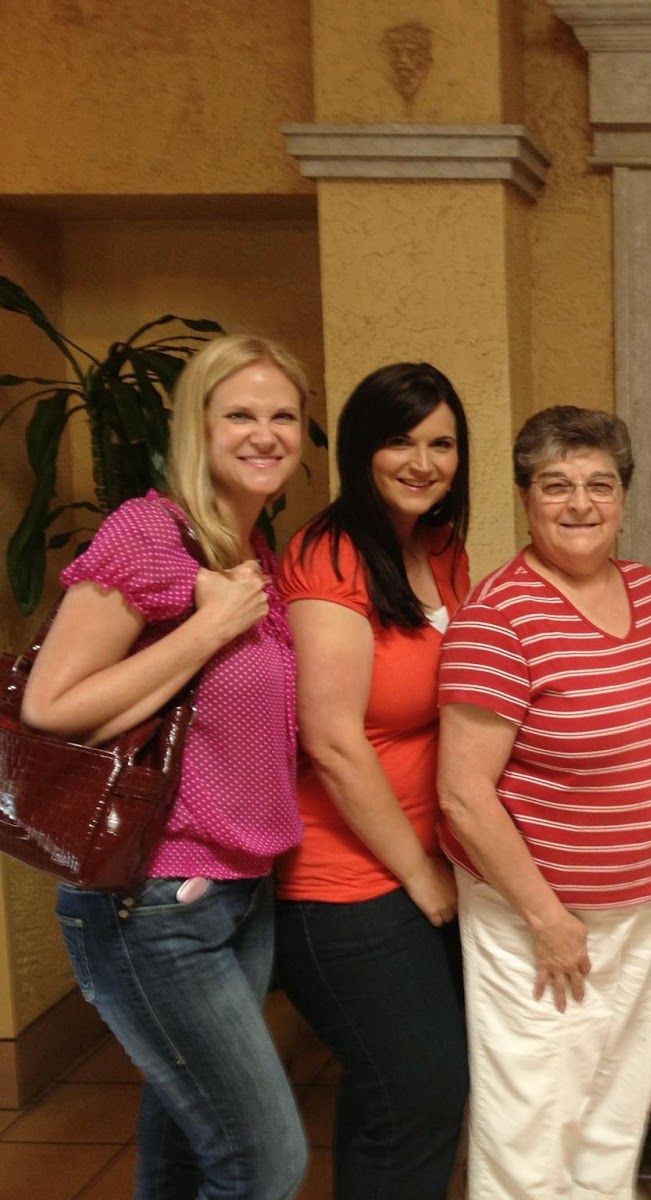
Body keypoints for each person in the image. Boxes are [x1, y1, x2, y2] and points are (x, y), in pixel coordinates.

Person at [22, 334, 311, 1198]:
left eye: (283, 416)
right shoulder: (149, 534)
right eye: (240, 414)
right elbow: (50, 709)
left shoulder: (245, 550)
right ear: (197, 427)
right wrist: (210, 627)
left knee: (187, 1154)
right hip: (152, 901)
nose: (265, 434)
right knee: (265, 1162)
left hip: (238, 890)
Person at [435, 405, 651, 1200]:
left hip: (640, 908)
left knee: (613, 1112)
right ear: (526, 497)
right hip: (540, 918)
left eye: (600, 484)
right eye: (556, 485)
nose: (581, 503)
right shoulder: (498, 618)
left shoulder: (649, 591)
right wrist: (546, 918)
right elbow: (462, 794)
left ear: (623, 496)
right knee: (532, 1123)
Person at [274, 362, 472, 1198]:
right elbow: (331, 741)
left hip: (425, 859)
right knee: (420, 1094)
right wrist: (420, 874)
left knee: (393, 1099)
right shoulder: (329, 556)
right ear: (360, 449)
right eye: (399, 441)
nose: (423, 462)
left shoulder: (439, 547)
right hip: (345, 881)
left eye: (442, 444)